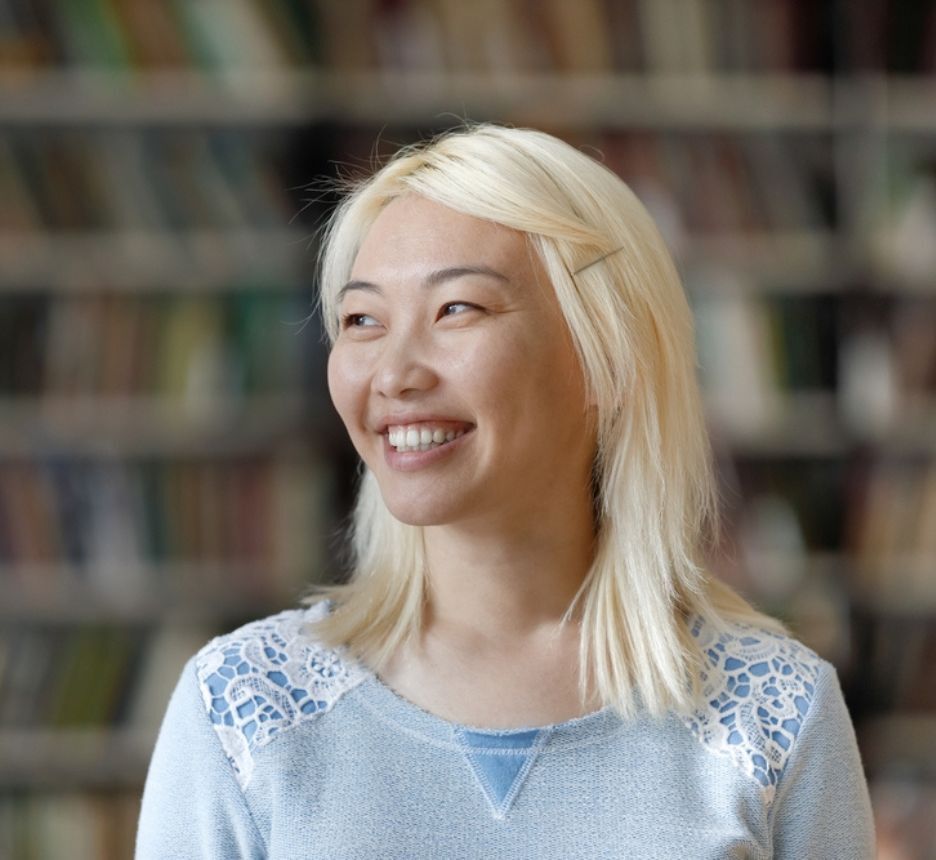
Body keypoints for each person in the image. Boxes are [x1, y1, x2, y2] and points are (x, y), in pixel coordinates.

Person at [135, 123, 875, 858]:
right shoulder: (241, 711)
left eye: (458, 308)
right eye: (362, 320)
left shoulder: (775, 713)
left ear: (607, 359)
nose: (394, 374)